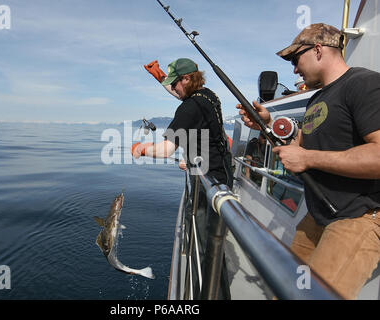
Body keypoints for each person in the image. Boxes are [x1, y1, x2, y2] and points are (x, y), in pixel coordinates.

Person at [237, 23, 380, 299]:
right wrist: (265, 124)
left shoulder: (364, 84)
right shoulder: (317, 99)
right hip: (318, 215)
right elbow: (297, 147)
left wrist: (308, 158)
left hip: (358, 217)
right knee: (287, 289)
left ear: (317, 50)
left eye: (295, 59)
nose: (294, 69)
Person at [133, 58, 232, 186]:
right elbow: (182, 95)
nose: (173, 88)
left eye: (174, 84)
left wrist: (141, 149)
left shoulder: (189, 108)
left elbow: (166, 151)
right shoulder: (208, 96)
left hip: (209, 181)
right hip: (222, 171)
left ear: (186, 79)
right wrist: (160, 76)